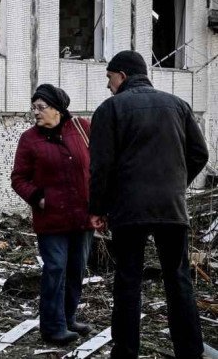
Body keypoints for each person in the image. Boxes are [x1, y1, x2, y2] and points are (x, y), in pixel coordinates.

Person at [89, 50, 208, 358]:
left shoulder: (110, 110)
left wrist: (98, 208)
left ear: (122, 76)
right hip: (171, 208)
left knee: (128, 279)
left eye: (109, 78)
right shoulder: (178, 106)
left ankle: (126, 352)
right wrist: (175, 186)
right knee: (178, 277)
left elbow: (102, 166)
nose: (108, 85)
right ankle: (190, 351)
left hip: (129, 211)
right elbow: (200, 154)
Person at [11, 84, 94, 345]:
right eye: (33, 107)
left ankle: (68, 318)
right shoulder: (29, 138)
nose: (35, 112)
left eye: (41, 107)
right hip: (51, 217)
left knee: (76, 269)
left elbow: (97, 165)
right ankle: (52, 326)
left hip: (82, 215)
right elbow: (18, 178)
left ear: (57, 109)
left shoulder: (81, 127)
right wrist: (38, 197)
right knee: (56, 268)